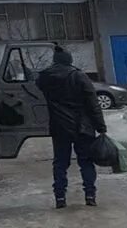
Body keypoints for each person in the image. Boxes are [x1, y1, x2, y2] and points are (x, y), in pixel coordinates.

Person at [37, 46, 106, 209]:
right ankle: (90, 194)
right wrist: (101, 126)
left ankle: (60, 197)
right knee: (86, 161)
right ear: (70, 60)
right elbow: (93, 103)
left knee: (60, 163)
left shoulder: (45, 77)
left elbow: (36, 86)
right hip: (82, 127)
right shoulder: (79, 76)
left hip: (59, 127)